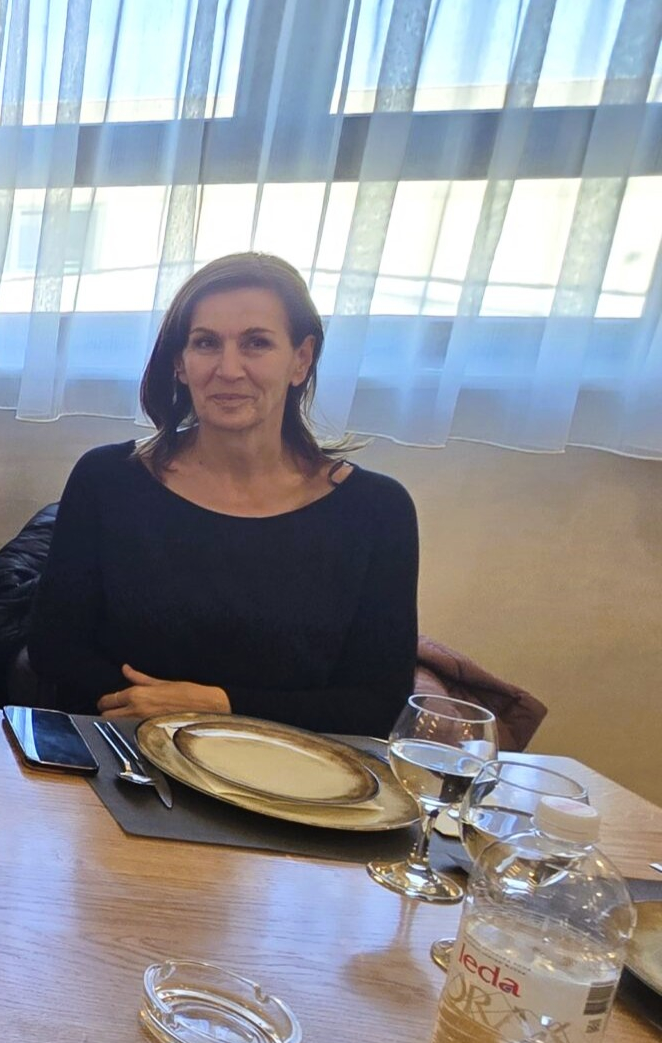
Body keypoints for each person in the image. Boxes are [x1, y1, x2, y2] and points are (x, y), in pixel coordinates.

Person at [26, 252, 417, 737]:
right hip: (124, 752)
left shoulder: (377, 511)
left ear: (301, 359)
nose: (228, 369)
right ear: (180, 363)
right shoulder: (107, 479)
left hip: (289, 769)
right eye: (206, 343)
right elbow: (54, 648)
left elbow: (378, 704)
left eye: (256, 343)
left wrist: (218, 706)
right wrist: (155, 714)